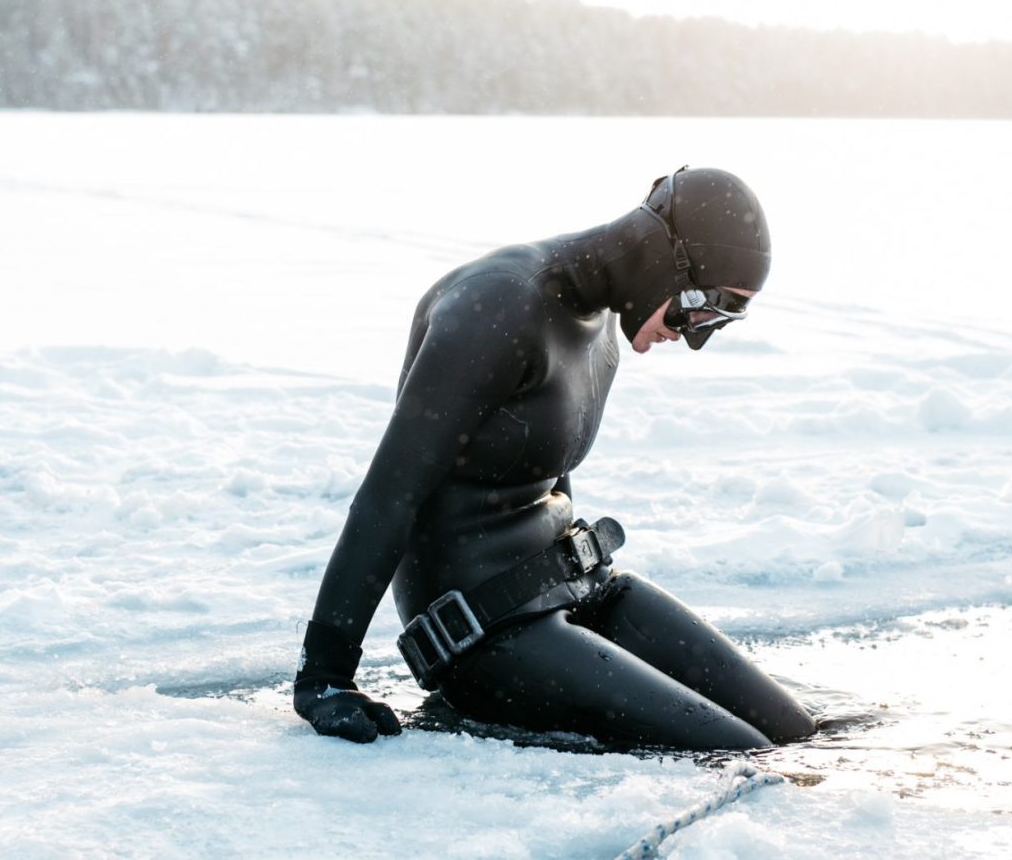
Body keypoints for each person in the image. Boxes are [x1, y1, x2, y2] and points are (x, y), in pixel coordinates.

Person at [293, 167, 817, 749]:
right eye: (708, 309)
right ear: (671, 264)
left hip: (569, 591)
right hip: (483, 633)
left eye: (723, 319)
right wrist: (326, 678)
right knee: (742, 751)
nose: (697, 336)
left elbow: (545, 476)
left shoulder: (602, 327)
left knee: (795, 733)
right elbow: (389, 496)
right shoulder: (497, 304)